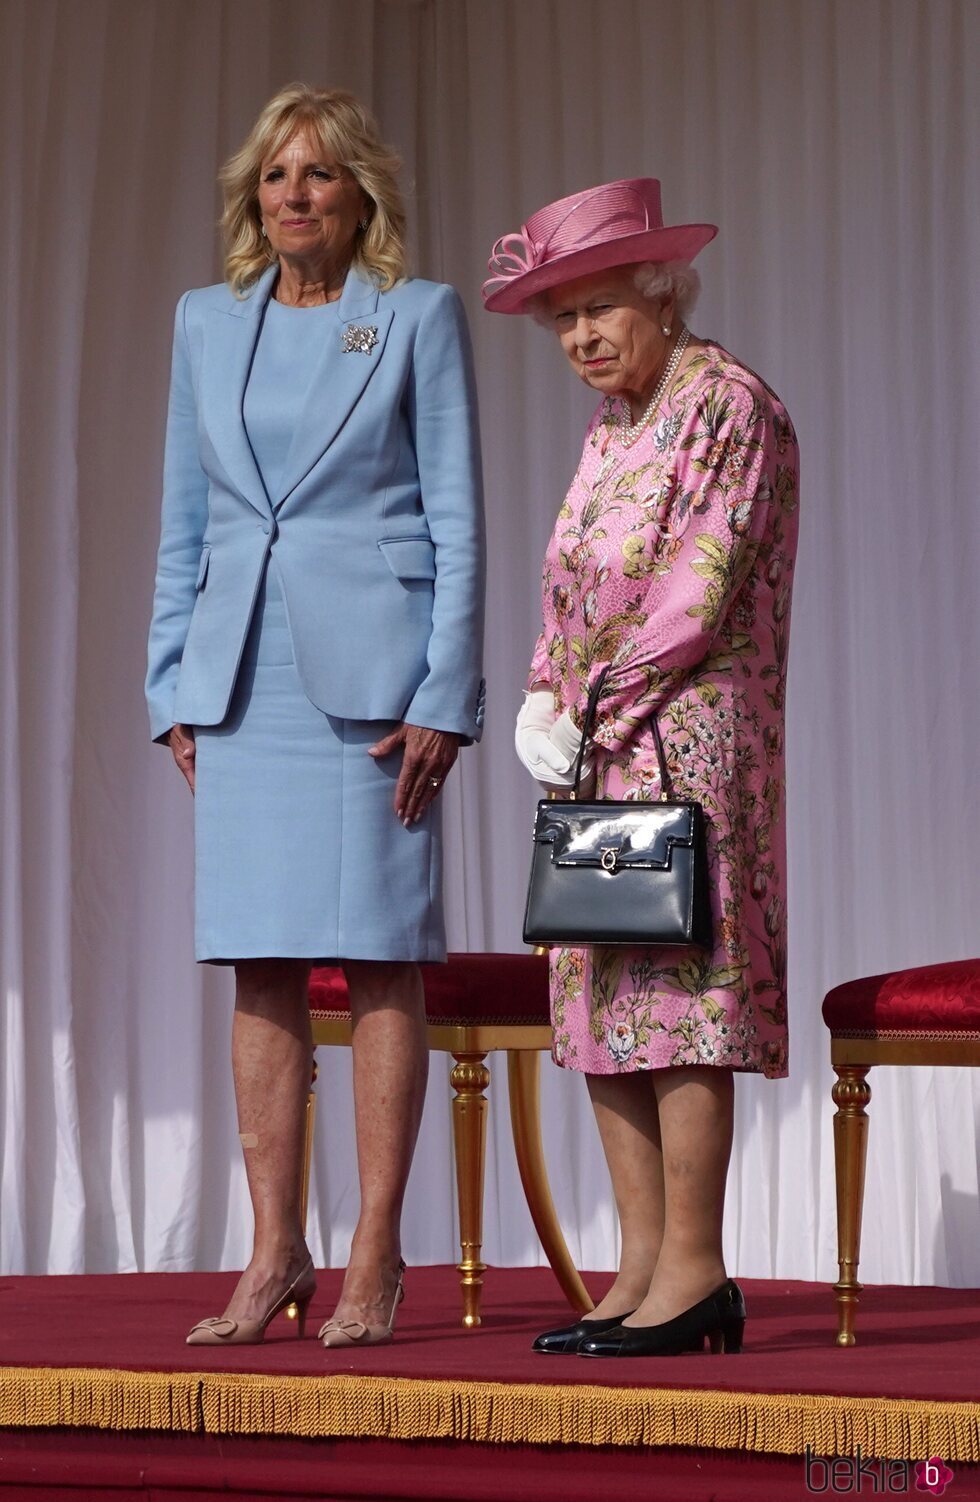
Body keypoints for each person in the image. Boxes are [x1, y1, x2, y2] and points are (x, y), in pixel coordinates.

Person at [146, 83, 485, 1350]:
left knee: (382, 954)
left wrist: (445, 694)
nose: (295, 194)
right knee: (259, 960)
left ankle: (373, 1252)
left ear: (360, 199)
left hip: (376, 688)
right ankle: (272, 1247)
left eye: (321, 176)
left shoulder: (411, 318)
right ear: (254, 197)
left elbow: (456, 516)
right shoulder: (202, 323)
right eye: (277, 176)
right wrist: (170, 681)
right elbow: (185, 520)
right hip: (239, 682)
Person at [483, 179, 798, 1357]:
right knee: (603, 992)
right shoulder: (613, 424)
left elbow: (694, 591)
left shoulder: (729, 405)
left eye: (596, 307)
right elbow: (573, 584)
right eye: (559, 319)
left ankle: (697, 1271)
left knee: (677, 997)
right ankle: (638, 1268)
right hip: (596, 746)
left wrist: (589, 699)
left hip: (684, 736)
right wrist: (536, 692)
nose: (577, 338)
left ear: (661, 292)